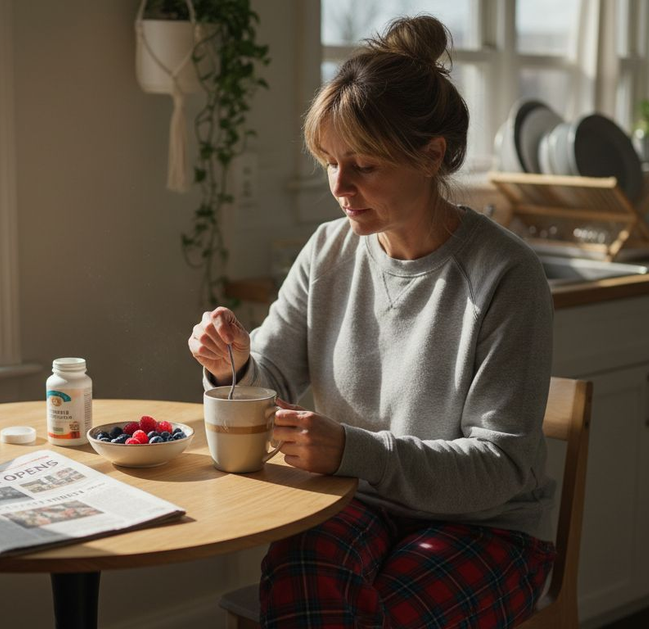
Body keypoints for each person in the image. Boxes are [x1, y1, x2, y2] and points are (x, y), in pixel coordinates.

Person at [188, 15, 556, 628]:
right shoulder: (329, 251)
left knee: (384, 616)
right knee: (300, 581)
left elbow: (502, 467)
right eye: (329, 161)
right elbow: (268, 378)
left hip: (486, 529)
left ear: (432, 155)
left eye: (364, 165)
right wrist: (235, 366)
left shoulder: (505, 276)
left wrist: (353, 450)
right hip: (356, 500)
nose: (339, 185)